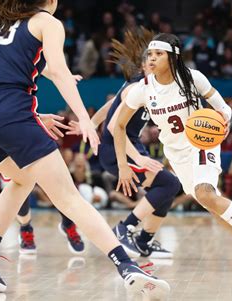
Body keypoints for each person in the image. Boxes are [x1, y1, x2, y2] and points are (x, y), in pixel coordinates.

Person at [0, 0, 169, 297]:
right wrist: (84, 118)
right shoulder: (46, 21)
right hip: (9, 115)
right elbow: (56, 70)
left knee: (21, 180)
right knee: (69, 198)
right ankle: (127, 267)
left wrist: (32, 114)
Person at [114, 32, 232, 272]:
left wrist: (222, 127)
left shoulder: (192, 78)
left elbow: (224, 110)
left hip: (202, 142)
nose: (151, 58)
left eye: (158, 54)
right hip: (175, 152)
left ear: (173, 57)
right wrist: (122, 165)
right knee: (210, 202)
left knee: (204, 193)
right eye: (149, 54)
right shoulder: (142, 90)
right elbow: (118, 126)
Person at [71, 28, 180, 259]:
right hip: (118, 148)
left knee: (162, 190)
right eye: (150, 59)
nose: (153, 62)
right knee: (169, 184)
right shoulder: (137, 87)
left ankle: (143, 242)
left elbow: (109, 108)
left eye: (157, 58)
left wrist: (89, 123)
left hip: (125, 146)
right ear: (143, 67)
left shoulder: (138, 84)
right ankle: (125, 229)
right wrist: (137, 158)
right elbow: (113, 127)